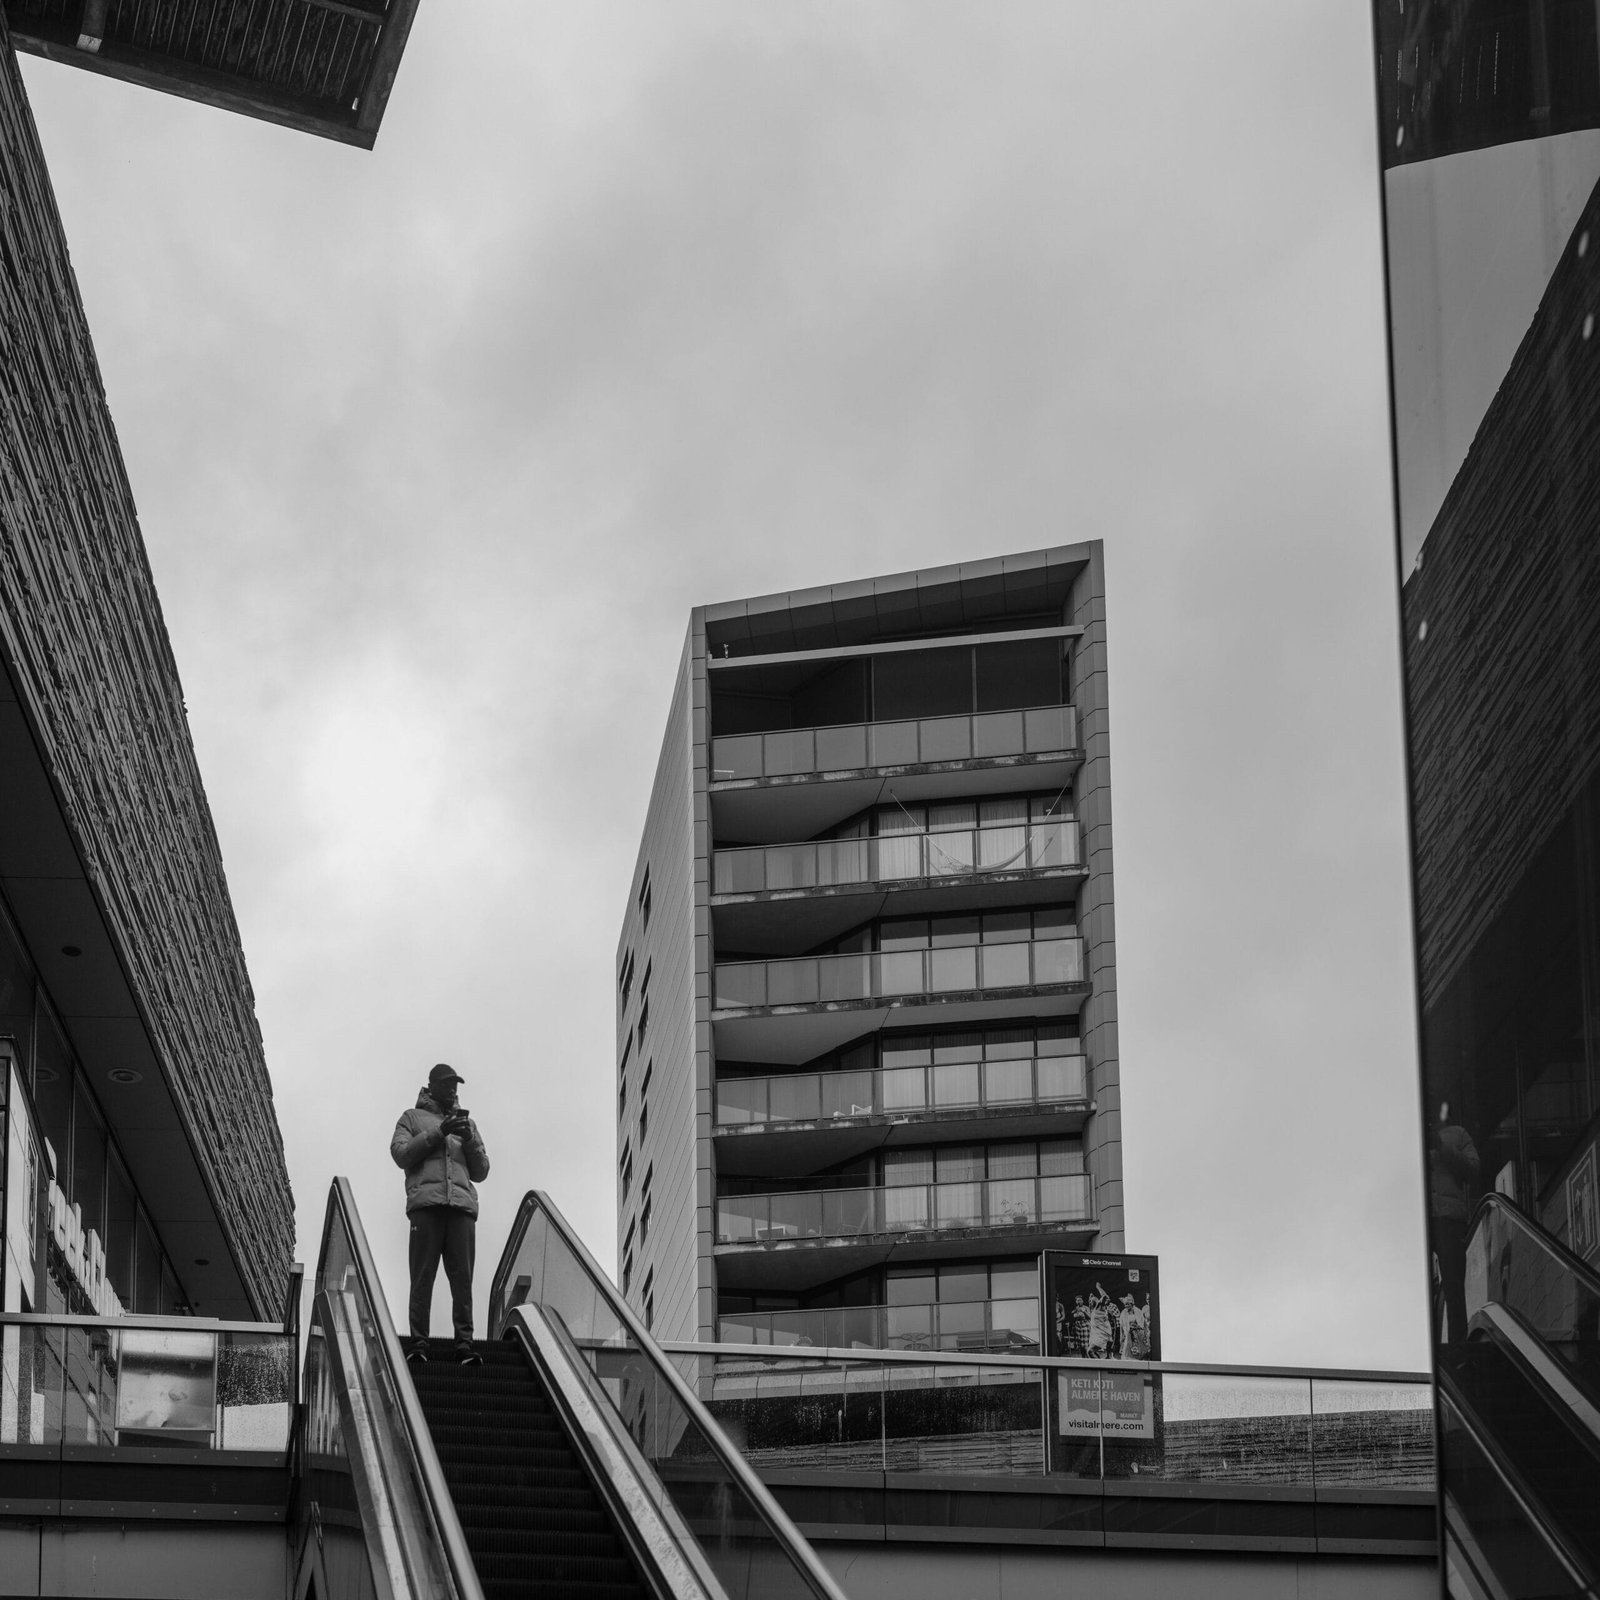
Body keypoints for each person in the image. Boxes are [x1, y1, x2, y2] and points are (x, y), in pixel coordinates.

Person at [390, 1063, 491, 1364]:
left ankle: (464, 1345)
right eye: (447, 1085)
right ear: (432, 1086)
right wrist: (439, 1132)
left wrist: (468, 1138)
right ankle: (418, 1345)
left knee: (463, 1281)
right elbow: (401, 1154)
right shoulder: (411, 1117)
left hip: (460, 1208)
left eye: (455, 1085)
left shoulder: (467, 1125)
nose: (452, 1090)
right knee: (422, 1278)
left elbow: (482, 1170)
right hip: (426, 1208)